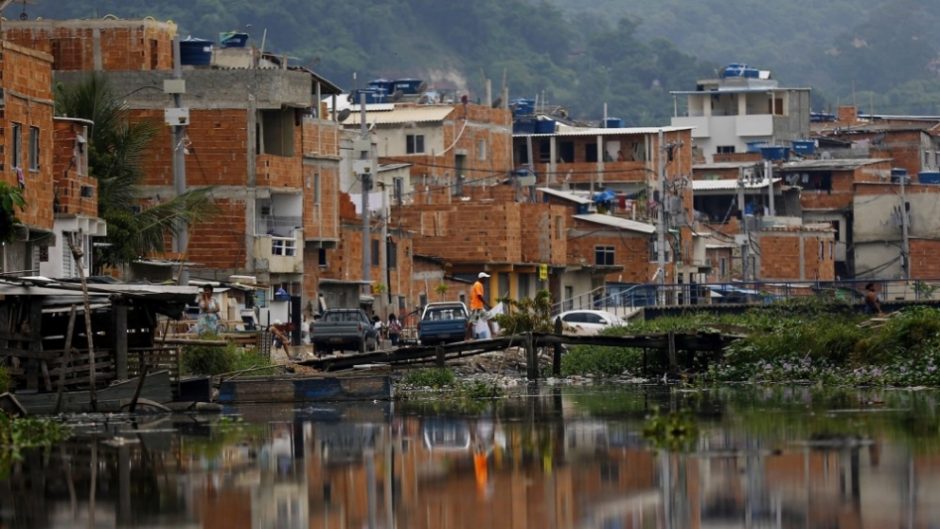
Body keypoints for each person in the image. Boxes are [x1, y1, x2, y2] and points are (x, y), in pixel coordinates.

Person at [468, 272, 491, 339]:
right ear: (481, 278)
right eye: (485, 278)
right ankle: (467, 337)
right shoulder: (478, 284)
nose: (485, 280)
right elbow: (479, 296)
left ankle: (492, 334)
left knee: (488, 318)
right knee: (472, 323)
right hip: (476, 308)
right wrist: (487, 304)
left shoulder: (479, 284)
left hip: (480, 308)